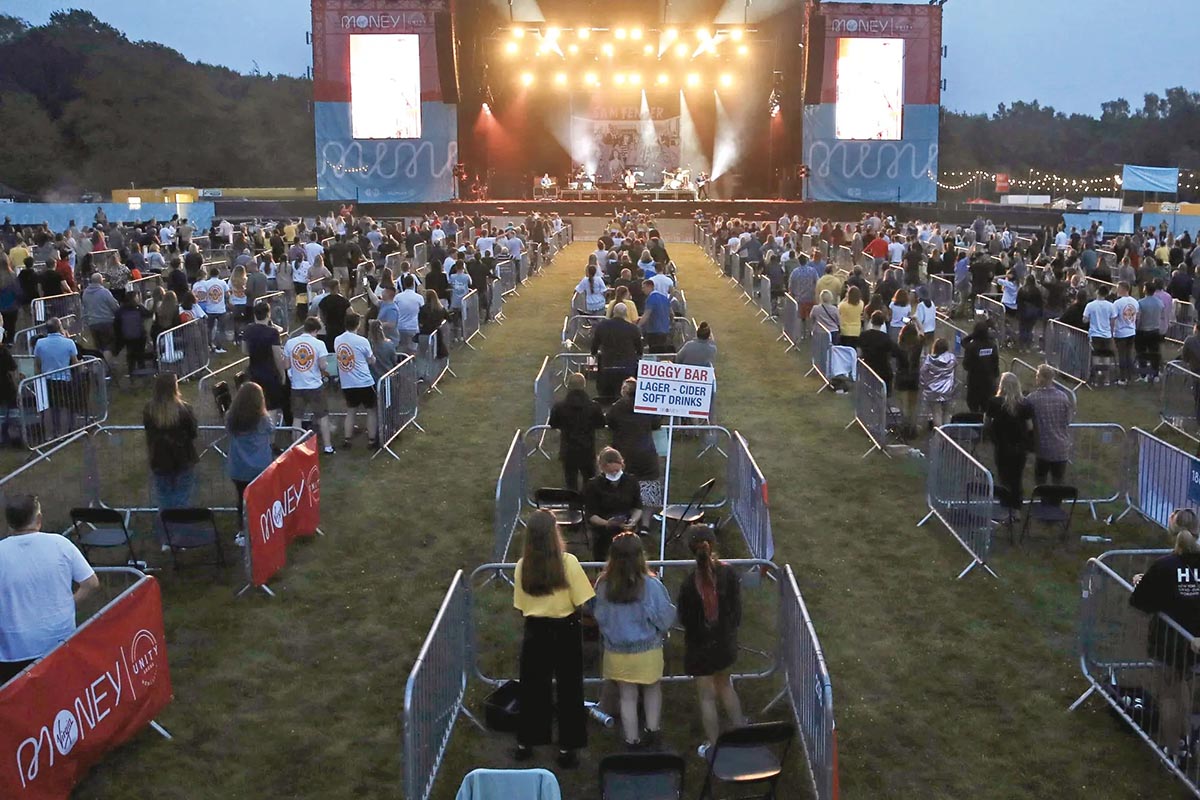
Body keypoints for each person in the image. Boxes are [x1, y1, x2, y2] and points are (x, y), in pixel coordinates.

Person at [512, 509, 594, 768]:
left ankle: (526, 742)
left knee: (532, 686)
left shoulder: (522, 566)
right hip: (565, 629)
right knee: (570, 688)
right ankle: (568, 747)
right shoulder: (568, 563)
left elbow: (521, 606)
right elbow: (583, 600)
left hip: (535, 629)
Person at [0, 494, 99, 683]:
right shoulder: (60, 543)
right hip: (60, 641)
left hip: (14, 651)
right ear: (38, 519)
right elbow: (91, 583)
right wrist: (68, 605)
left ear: (9, 523)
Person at [593, 532, 676, 750]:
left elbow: (600, 616)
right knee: (652, 689)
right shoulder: (651, 585)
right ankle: (653, 732)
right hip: (647, 650)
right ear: (640, 556)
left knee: (627, 696)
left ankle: (632, 740)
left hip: (617, 651)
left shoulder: (603, 585)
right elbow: (665, 617)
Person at [1130, 509, 1200, 762]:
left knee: (1170, 694)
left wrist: (1141, 583)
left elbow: (1142, 603)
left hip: (1169, 641)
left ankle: (1175, 750)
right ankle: (1185, 742)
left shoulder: (1164, 566)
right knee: (1184, 687)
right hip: (1194, 640)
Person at [676, 525, 745, 758]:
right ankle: (741, 734)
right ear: (713, 544)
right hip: (724, 643)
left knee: (706, 697)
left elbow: (685, 619)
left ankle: (714, 746)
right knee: (726, 686)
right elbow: (736, 610)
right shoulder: (729, 573)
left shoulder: (688, 585)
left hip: (699, 648)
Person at [143, 373, 199, 543]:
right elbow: (193, 433)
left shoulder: (149, 410)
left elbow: (149, 433)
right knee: (182, 498)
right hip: (183, 459)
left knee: (164, 499)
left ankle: (166, 537)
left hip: (160, 460)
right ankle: (179, 536)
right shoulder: (184, 410)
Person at [225, 381, 275, 528]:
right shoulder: (263, 419)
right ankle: (263, 528)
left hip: (238, 468)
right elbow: (271, 429)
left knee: (242, 500)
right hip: (260, 469)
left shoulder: (230, 417)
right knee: (262, 500)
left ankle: (243, 530)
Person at [583, 447, 644, 562]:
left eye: (617, 470)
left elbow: (638, 507)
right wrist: (608, 523)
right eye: (611, 472)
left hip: (627, 529)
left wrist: (633, 521)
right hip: (604, 532)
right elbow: (591, 514)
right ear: (602, 468)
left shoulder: (631, 481)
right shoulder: (593, 485)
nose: (615, 474)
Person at [284, 317, 335, 454]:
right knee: (322, 417)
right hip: (315, 386)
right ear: (316, 330)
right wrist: (326, 366)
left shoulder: (290, 343)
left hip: (297, 386)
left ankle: (295, 448)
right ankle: (328, 447)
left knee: (297, 417)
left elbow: (286, 365)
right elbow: (323, 365)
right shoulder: (319, 344)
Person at [548, 372, 606, 491]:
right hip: (587, 450)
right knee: (590, 482)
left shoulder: (559, 407)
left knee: (571, 484)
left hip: (568, 450)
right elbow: (601, 423)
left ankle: (573, 501)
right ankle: (588, 501)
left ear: (568, 385)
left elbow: (553, 423)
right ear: (584, 385)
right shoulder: (594, 406)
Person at [985, 372, 1034, 509]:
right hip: (1020, 447)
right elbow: (1030, 426)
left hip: (1002, 445)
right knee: (1017, 478)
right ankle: (1016, 508)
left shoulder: (995, 402)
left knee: (1004, 477)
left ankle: (1006, 506)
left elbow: (986, 421)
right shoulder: (1025, 404)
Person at [1021, 364, 1075, 485]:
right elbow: (1067, 420)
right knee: (1058, 482)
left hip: (1043, 448)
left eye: (1037, 375)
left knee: (1040, 483)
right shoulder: (1063, 397)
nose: (1035, 378)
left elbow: (1026, 421)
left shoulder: (1032, 399)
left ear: (1042, 378)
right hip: (1061, 448)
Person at [334, 312, 378, 449]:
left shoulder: (337, 340)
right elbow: (371, 360)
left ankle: (347, 439)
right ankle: (371, 439)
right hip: (364, 381)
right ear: (358, 325)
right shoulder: (362, 341)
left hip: (347, 382)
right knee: (371, 410)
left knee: (351, 410)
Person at [242, 301, 291, 427]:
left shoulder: (248, 329)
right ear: (268, 314)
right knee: (272, 407)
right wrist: (282, 374)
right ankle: (270, 435)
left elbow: (244, 350)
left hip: (254, 371)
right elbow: (277, 356)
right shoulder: (272, 332)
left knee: (258, 404)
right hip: (270, 373)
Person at [607, 378, 662, 484]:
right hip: (645, 451)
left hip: (623, 451)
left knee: (624, 483)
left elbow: (610, 422)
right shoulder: (646, 405)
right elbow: (656, 423)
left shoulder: (617, 407)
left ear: (624, 391)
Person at [591, 303, 643, 400]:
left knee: (607, 397)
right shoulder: (633, 329)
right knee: (627, 397)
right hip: (627, 368)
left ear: (613, 312)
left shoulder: (602, 326)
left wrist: (594, 354)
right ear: (626, 314)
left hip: (607, 366)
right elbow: (639, 349)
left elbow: (594, 345)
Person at [857, 311, 902, 394]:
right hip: (883, 370)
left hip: (868, 368)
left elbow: (859, 351)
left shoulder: (863, 335)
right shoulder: (886, 338)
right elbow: (896, 352)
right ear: (883, 322)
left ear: (871, 320)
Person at [962, 319, 1000, 413]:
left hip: (974, 382)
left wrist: (973, 335)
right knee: (986, 408)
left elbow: (966, 365)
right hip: (989, 381)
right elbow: (995, 362)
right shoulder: (992, 345)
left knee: (973, 407)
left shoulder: (972, 347)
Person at [919, 337, 957, 429]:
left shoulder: (929, 359)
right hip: (948, 390)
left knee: (936, 413)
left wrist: (926, 384)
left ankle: (939, 433)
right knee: (947, 413)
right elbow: (955, 367)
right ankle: (946, 432)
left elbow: (922, 372)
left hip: (933, 391)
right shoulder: (952, 358)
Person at [1083, 287, 1117, 385]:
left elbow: (1085, 319)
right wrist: (1111, 333)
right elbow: (1113, 320)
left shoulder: (1090, 305)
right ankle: (1106, 379)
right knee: (1106, 356)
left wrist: (1091, 319)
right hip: (1107, 334)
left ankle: (1096, 379)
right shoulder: (1111, 306)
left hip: (1095, 334)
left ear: (1097, 292)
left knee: (1096, 357)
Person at [81, 273, 120, 357]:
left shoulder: (85, 293)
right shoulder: (105, 292)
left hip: (92, 323)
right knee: (108, 345)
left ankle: (100, 363)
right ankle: (106, 363)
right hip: (106, 322)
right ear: (100, 280)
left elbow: (84, 308)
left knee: (99, 346)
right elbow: (114, 306)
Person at [1111, 281, 1139, 385]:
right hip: (1131, 331)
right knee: (1128, 355)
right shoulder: (1135, 302)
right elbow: (1136, 316)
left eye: (1118, 288)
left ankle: (1123, 378)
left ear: (1122, 289)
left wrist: (1111, 332)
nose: (1117, 290)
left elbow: (1113, 318)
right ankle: (1130, 376)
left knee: (1122, 355)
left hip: (1121, 332)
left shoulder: (1117, 303)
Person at [639, 278, 674, 354]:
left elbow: (646, 315)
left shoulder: (651, 299)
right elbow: (671, 314)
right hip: (665, 331)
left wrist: (638, 326)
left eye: (643, 287)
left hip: (654, 331)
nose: (642, 290)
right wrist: (669, 324)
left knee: (654, 354)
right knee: (662, 353)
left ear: (650, 287)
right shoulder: (664, 298)